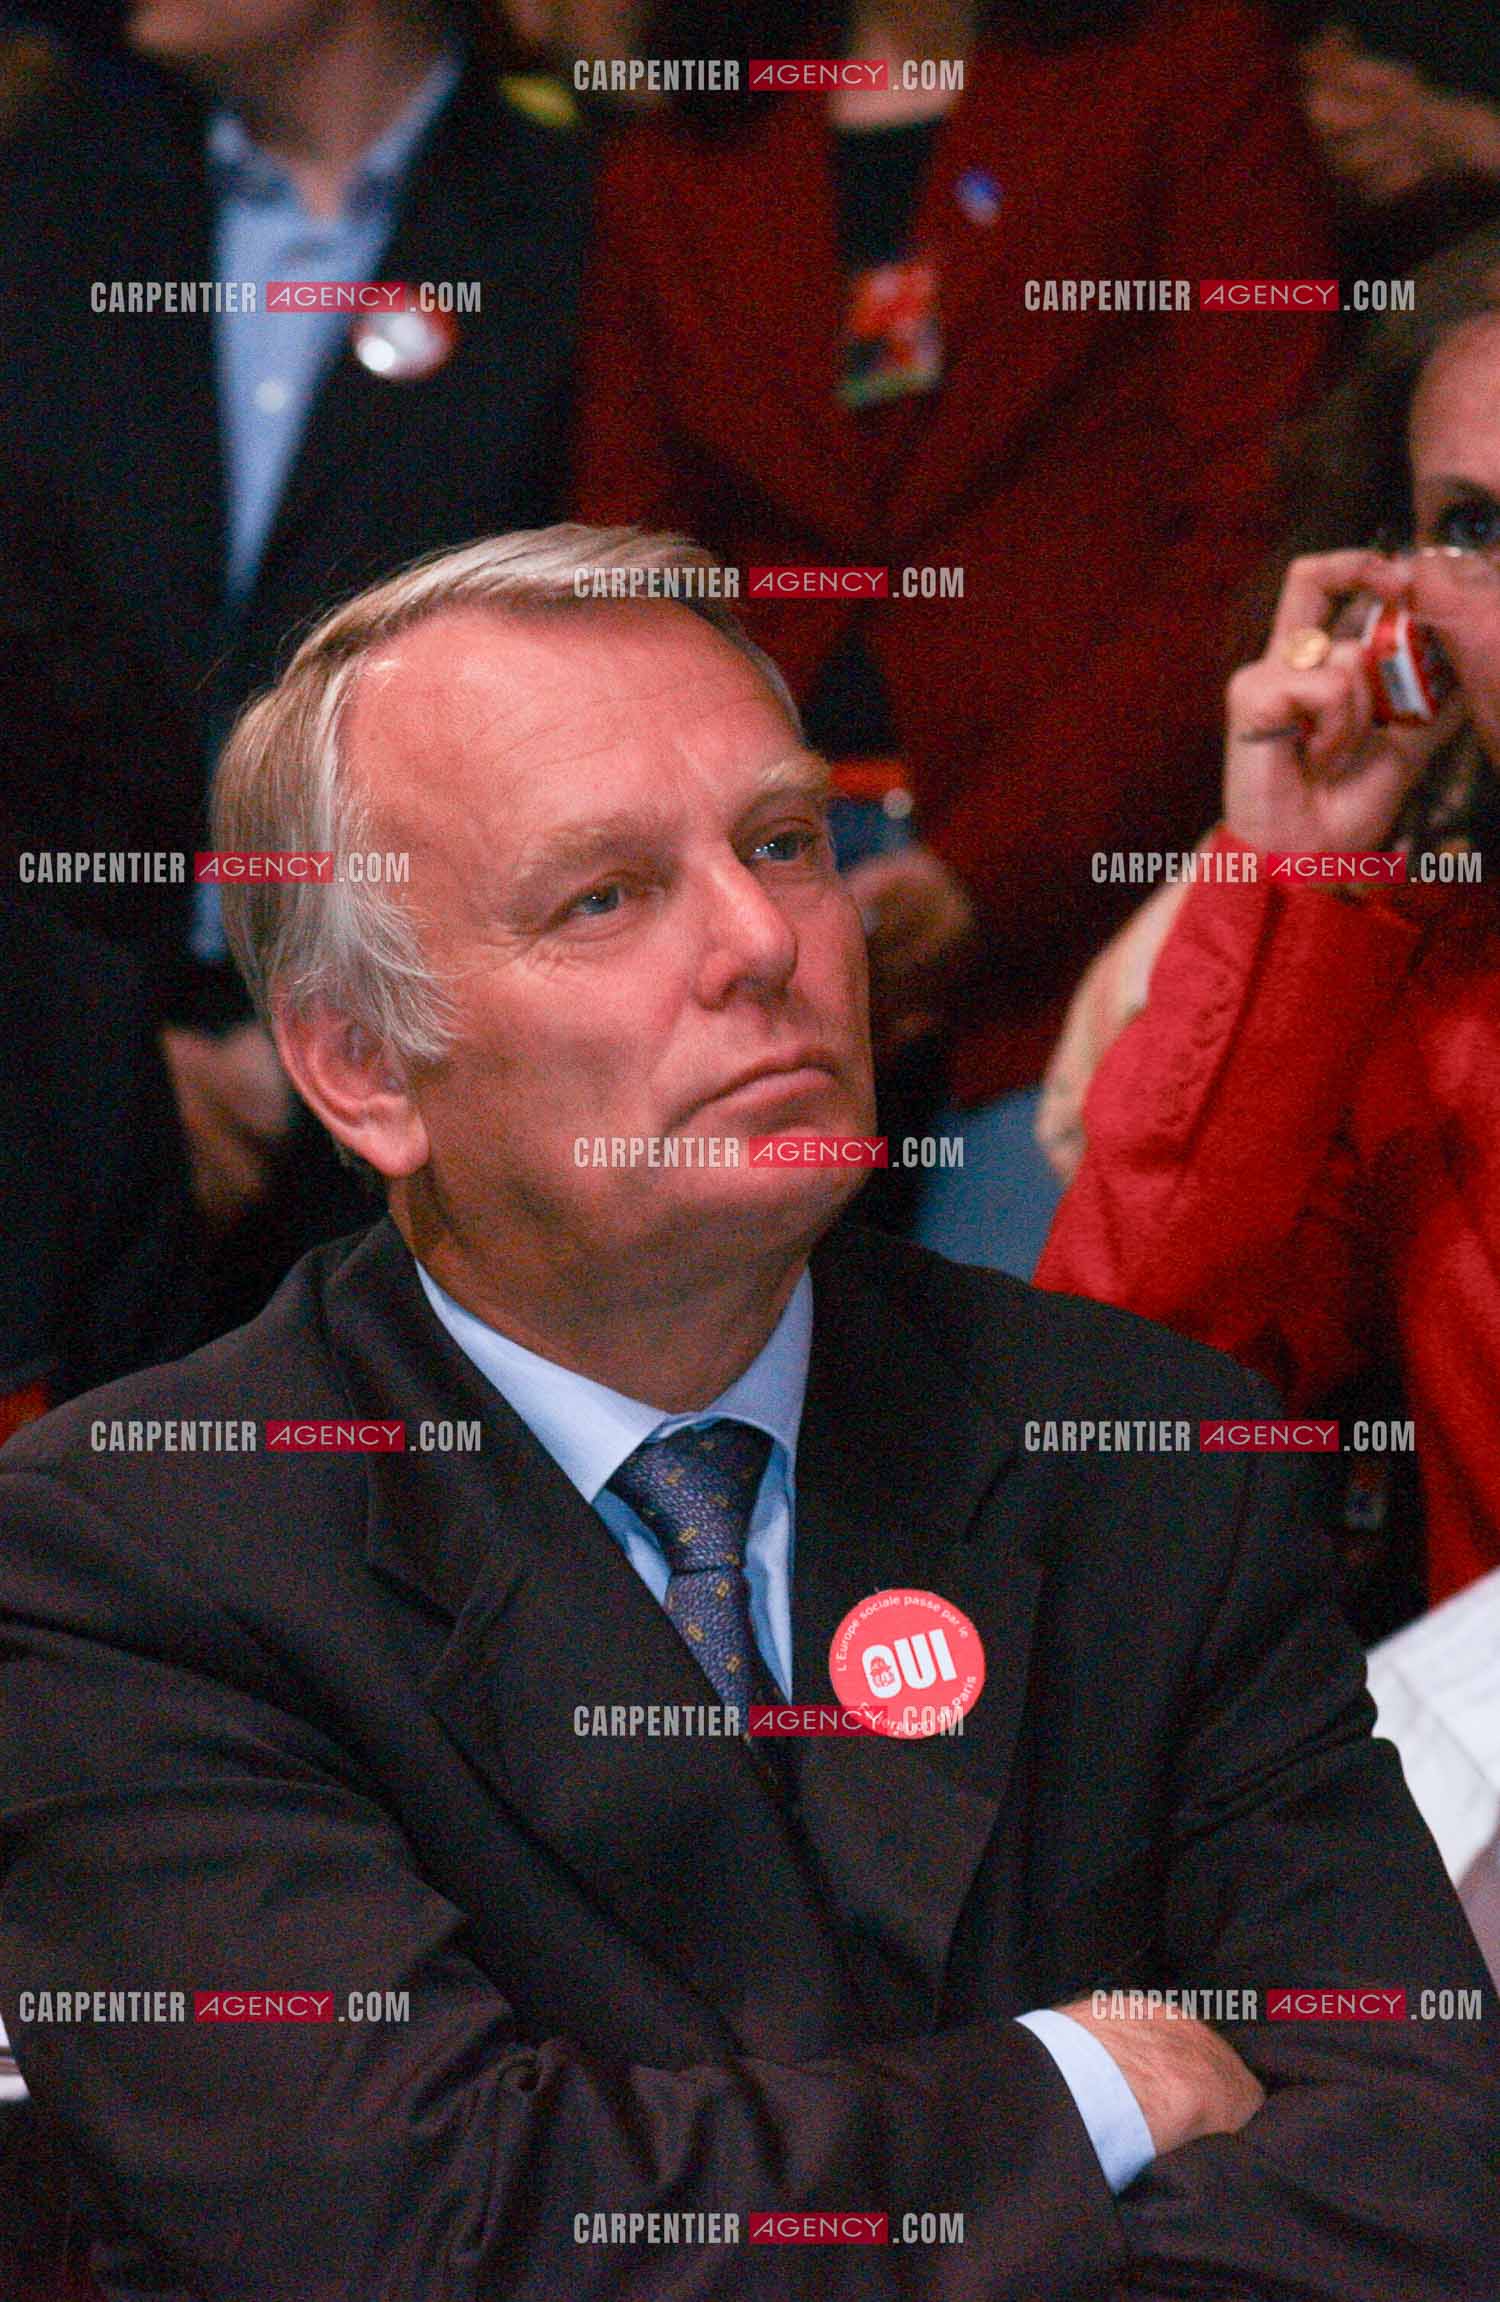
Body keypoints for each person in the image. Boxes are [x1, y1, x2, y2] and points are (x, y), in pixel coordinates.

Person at [0, 524, 1495, 2301]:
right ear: (360, 1065)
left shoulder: (1147, 1457)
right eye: (605, 895)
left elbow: (1428, 2156)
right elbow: (440, 2234)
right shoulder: (141, 1550)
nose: (764, 941)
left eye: (785, 843)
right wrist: (1087, 2077)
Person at [574, 0, 1334, 1272]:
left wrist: (979, 877)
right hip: (741, 895)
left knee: (1033, 1402)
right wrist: (727, 868)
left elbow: (1257, 533)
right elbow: (624, 563)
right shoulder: (687, 143)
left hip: (1091, 909)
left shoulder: (1181, 69)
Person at [0, 0, 593, 1307]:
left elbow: (587, 696)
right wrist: (96, 1038)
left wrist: (316, 1044)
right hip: (61, 1070)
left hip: (447, 1073)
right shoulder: (51, 201)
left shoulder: (581, 220)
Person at [1035, 220, 1500, 1606]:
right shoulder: (1414, 987)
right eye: (1474, 531)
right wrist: (1290, 880)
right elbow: (1116, 1438)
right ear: (1397, 611)